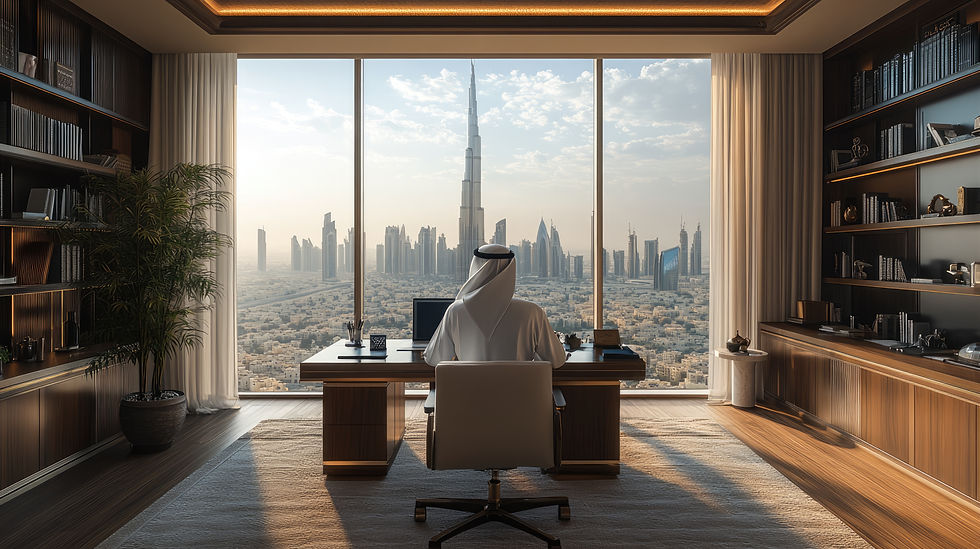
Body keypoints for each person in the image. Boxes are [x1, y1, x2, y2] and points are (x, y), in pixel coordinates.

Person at [424, 243, 566, 368]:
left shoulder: (455, 311)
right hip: (520, 397)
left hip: (469, 397)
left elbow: (434, 359)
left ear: (476, 267)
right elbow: (557, 361)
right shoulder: (532, 312)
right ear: (511, 268)